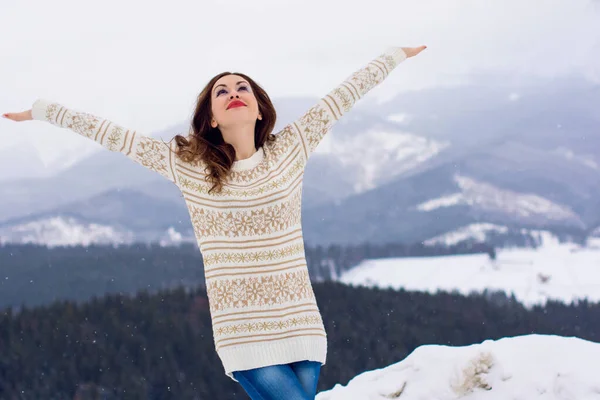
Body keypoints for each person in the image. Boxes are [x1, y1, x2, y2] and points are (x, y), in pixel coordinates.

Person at [3, 44, 426, 400]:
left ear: (260, 109)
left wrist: (395, 55)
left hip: (299, 320)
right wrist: (44, 111)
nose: (233, 92)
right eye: (221, 91)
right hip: (242, 331)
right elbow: (114, 135)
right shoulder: (189, 166)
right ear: (210, 117)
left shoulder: (291, 149)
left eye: (243, 87)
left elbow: (345, 95)